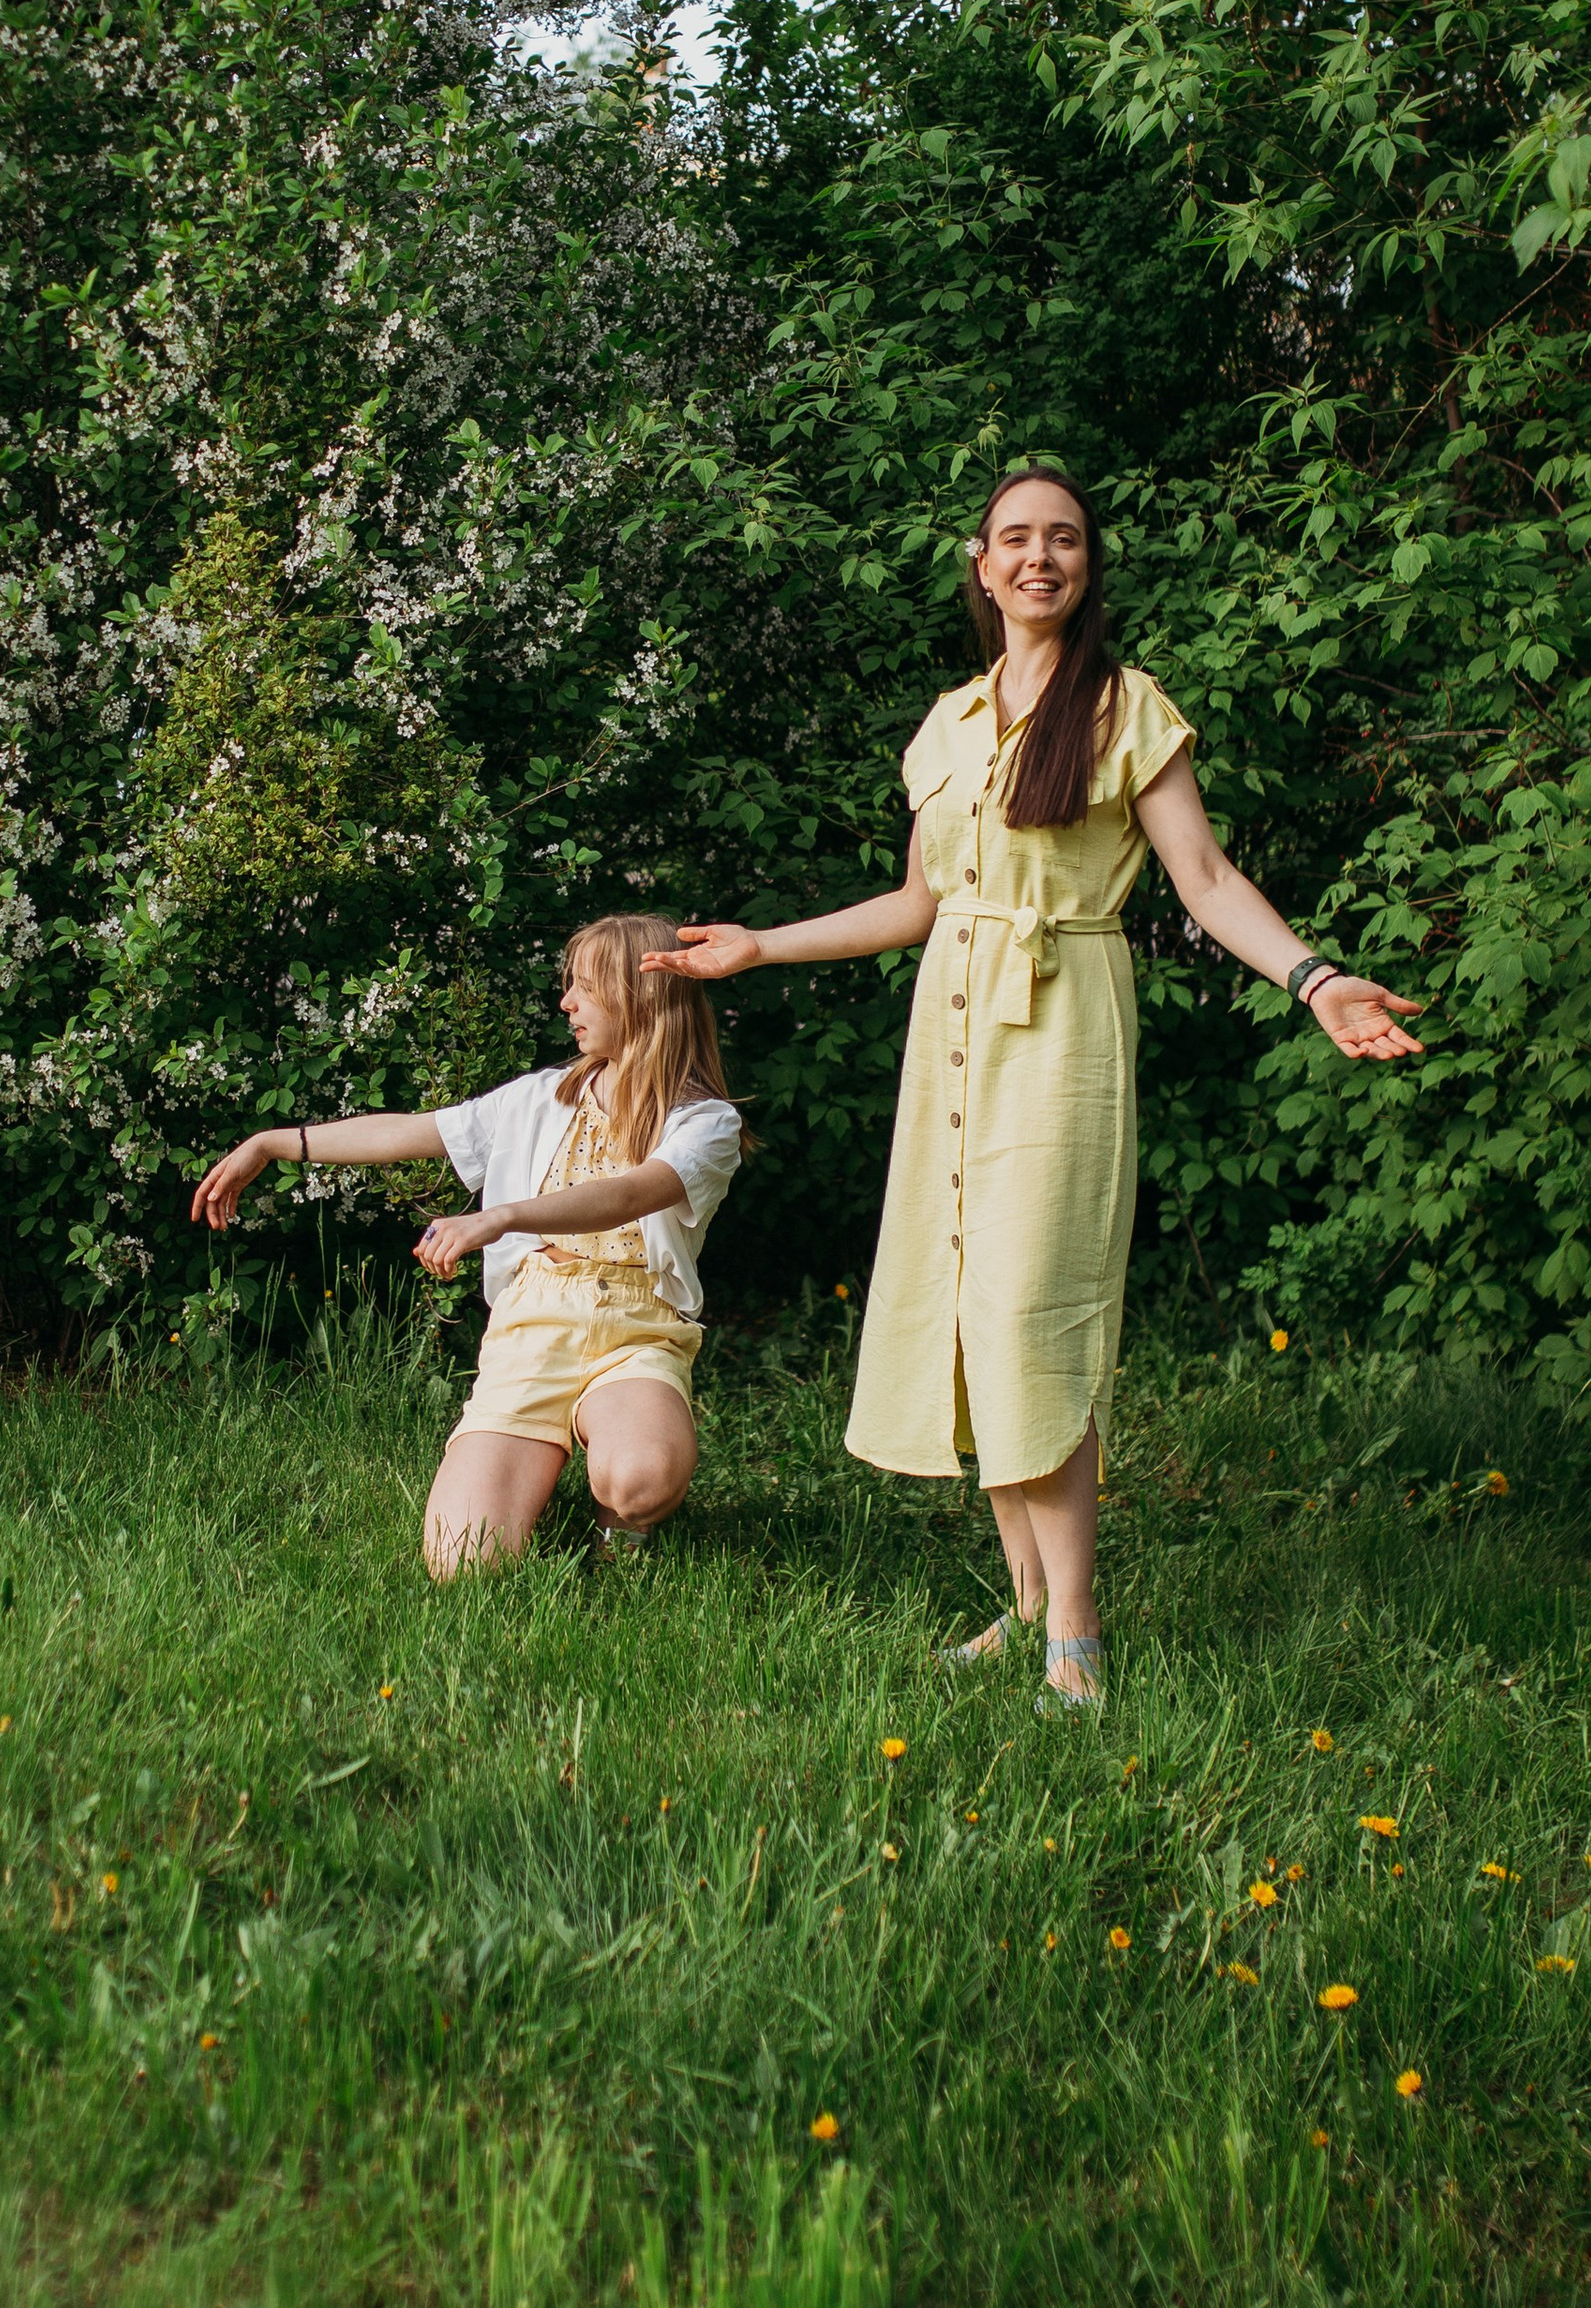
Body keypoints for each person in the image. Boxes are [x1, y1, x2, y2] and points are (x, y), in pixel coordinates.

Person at [647, 470, 1421, 1704]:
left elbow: (1205, 878)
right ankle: (1021, 1601)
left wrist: (1313, 978)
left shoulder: (1123, 706)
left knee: (1027, 1316)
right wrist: (759, 947)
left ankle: (1075, 1626)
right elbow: (918, 903)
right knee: (969, 1310)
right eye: (1016, 538)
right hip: (949, 1032)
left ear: (1086, 565)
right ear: (982, 563)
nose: (1039, 558)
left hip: (1060, 1031)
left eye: (1063, 539)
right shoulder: (950, 723)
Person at [190, 911, 747, 1578]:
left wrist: (499, 1218)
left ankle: (619, 1535)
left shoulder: (705, 1122)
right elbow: (409, 1132)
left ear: (644, 992)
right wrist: (273, 1143)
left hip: (637, 1328)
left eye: (586, 986)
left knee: (639, 1476)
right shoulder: (538, 1099)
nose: (567, 1003)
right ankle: (540, 1469)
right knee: (463, 1563)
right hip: (531, 1324)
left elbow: (634, 1192)